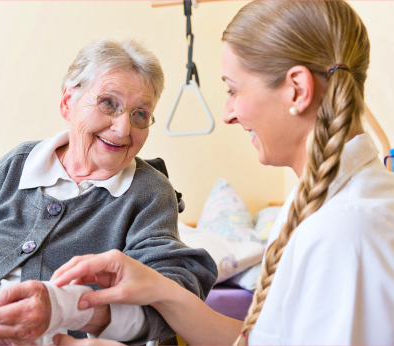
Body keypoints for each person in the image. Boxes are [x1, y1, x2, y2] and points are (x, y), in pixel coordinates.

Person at [50, 1, 394, 345]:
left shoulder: (348, 229)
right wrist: (161, 291)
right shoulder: (319, 203)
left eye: (233, 89)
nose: (228, 114)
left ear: (298, 90)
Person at [0, 38, 217, 346]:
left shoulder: (149, 192)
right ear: (69, 102)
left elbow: (175, 287)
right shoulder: (21, 162)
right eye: (108, 103)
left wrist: (67, 311)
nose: (123, 128)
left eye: (141, 114)